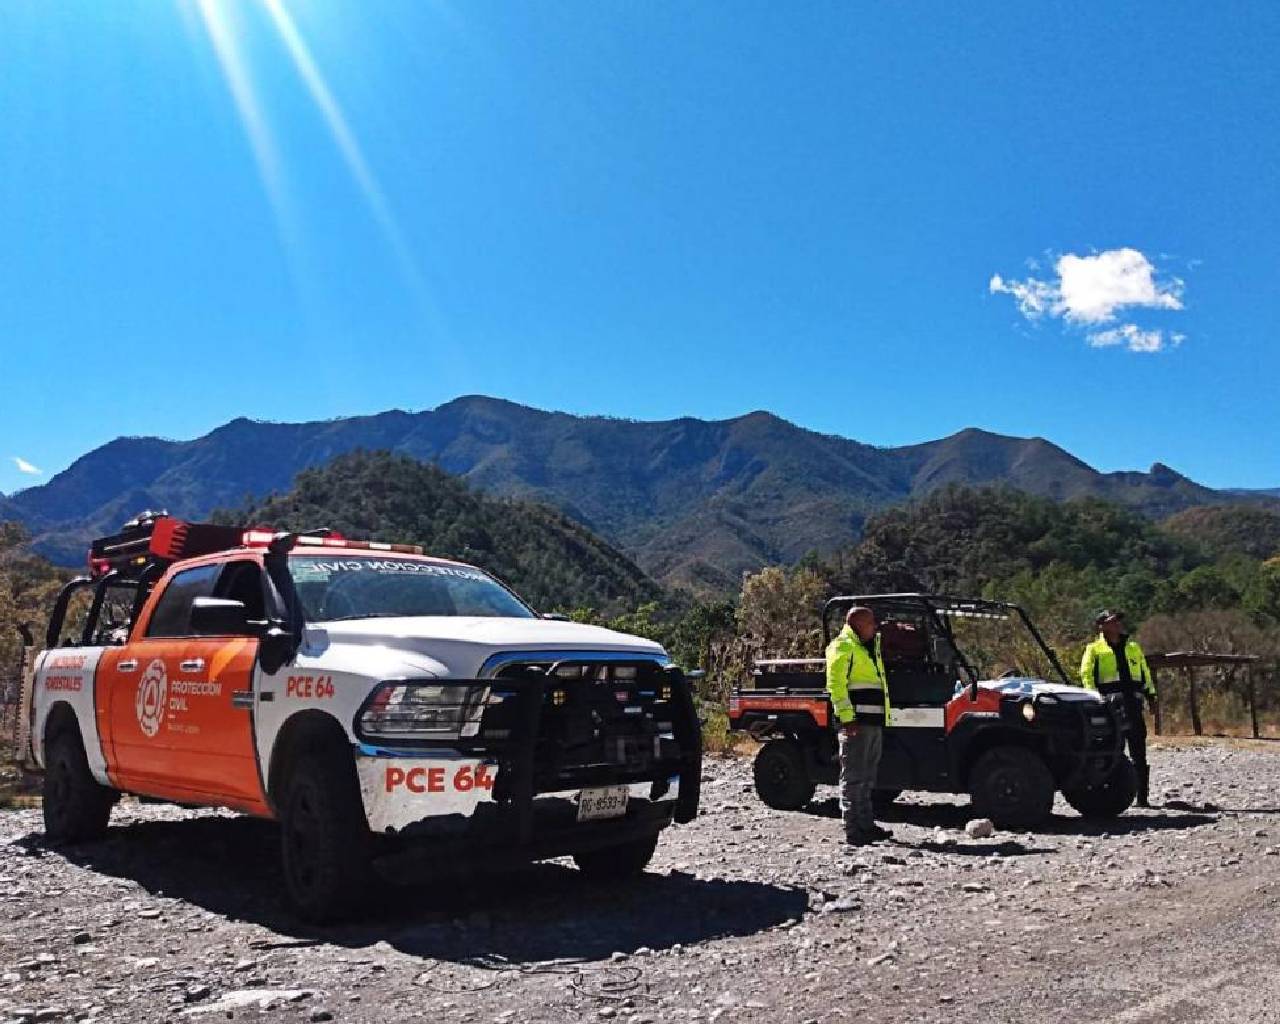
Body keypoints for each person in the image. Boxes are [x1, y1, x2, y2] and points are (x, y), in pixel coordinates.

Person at [826, 605, 893, 844]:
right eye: (871, 623)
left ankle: (866, 825)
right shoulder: (843, 646)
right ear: (859, 624)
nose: (874, 627)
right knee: (854, 777)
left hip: (873, 723)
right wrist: (847, 718)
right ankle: (853, 829)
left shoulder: (867, 647)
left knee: (867, 777)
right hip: (856, 724)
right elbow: (836, 685)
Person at [1080, 609, 1157, 807]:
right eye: (1112, 622)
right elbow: (1086, 674)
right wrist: (1094, 697)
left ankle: (1143, 797)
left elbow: (1145, 673)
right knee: (1114, 750)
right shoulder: (1094, 649)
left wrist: (1152, 696)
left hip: (1133, 706)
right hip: (1110, 709)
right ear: (1102, 626)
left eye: (1118, 621)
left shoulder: (1133, 647)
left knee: (1139, 751)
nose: (1117, 625)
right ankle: (1115, 794)